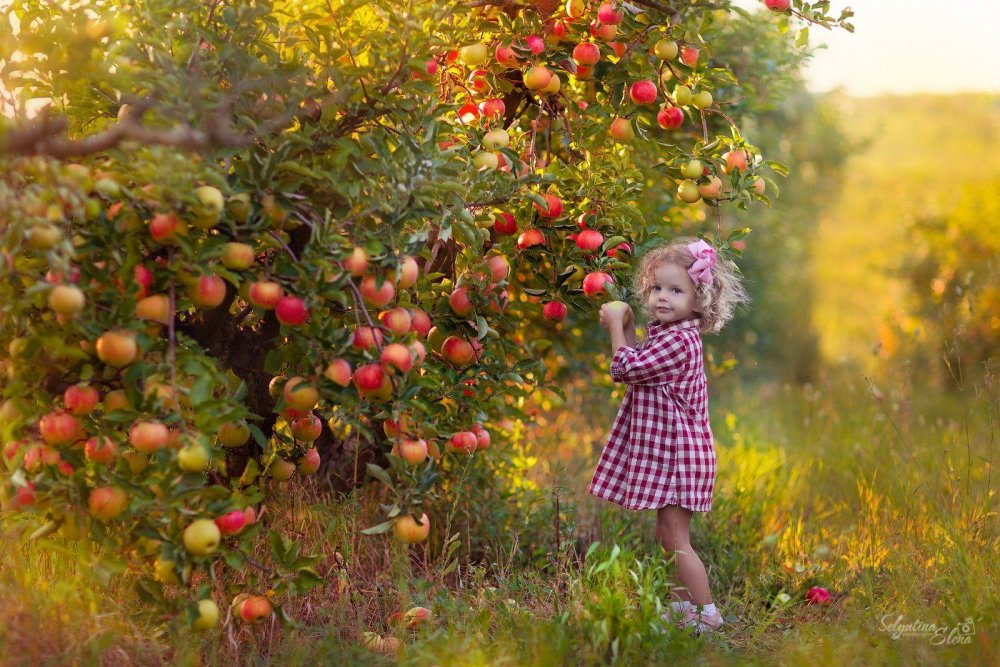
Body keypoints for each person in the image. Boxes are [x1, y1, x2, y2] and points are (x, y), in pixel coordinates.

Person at [588, 236, 750, 635]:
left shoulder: (680, 341)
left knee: (677, 537)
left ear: (699, 300)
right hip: (674, 455)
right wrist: (626, 325)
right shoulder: (666, 334)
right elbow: (638, 363)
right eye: (657, 288)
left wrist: (614, 327)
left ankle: (707, 613)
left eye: (676, 290)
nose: (663, 297)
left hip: (681, 459)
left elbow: (626, 369)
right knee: (667, 534)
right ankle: (682, 609)